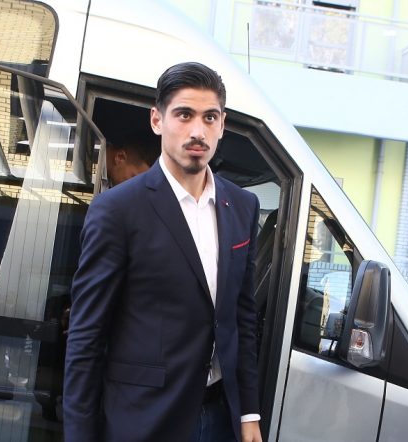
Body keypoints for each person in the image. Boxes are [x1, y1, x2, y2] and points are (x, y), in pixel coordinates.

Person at [64, 62, 262, 442]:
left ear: (222, 124)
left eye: (209, 117)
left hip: (221, 417)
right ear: (157, 120)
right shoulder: (118, 210)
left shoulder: (242, 205)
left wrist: (248, 413)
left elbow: (242, 318)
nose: (197, 131)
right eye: (184, 115)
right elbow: (86, 337)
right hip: (145, 419)